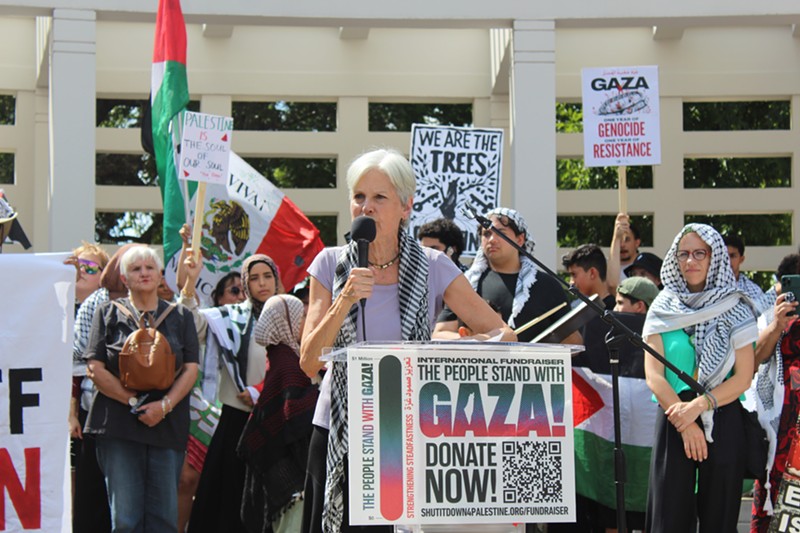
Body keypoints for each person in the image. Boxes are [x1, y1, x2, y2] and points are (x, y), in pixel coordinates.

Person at [298, 148, 515, 533]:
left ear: (405, 206)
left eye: (379, 197)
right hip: (340, 429)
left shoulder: (434, 266)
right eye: (359, 196)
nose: (367, 207)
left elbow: (502, 334)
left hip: (406, 431)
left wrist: (446, 352)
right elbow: (310, 360)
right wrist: (344, 299)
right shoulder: (329, 264)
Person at [642, 223, 758, 533]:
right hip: (673, 416)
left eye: (699, 253)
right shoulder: (662, 307)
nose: (690, 261)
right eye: (683, 254)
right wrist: (686, 423)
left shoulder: (736, 308)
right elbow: (654, 375)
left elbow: (744, 377)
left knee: (719, 519)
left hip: (723, 413)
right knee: (668, 520)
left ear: (714, 258)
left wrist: (699, 408)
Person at [84, 246, 200, 533]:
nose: (144, 273)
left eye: (150, 267)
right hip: (118, 425)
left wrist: (164, 406)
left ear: (161, 275)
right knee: (125, 519)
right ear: (124, 278)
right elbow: (94, 368)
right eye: (136, 269)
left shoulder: (181, 317)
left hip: (167, 424)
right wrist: (132, 401)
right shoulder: (107, 313)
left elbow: (191, 369)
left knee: (164, 518)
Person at [187, 254, 284, 533]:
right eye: (253, 278)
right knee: (228, 499)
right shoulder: (230, 317)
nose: (262, 283)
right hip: (237, 421)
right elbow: (192, 326)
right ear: (245, 284)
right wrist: (189, 284)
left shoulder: (291, 313)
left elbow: (302, 362)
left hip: (277, 419)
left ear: (276, 279)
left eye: (267, 276)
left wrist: (260, 391)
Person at [434, 207, 577, 344]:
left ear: (520, 240)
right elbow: (439, 334)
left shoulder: (547, 285)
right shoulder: (467, 282)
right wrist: (484, 340)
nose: (492, 240)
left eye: (500, 232)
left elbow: (573, 340)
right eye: (486, 234)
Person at [239, 294, 318, 533]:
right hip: (289, 475)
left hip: (283, 471)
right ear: (286, 322)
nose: (307, 321)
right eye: (302, 316)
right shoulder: (287, 363)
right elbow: (293, 414)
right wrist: (322, 392)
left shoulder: (281, 355)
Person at [177, 271, 245, 533]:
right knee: (187, 480)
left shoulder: (257, 321)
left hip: (237, 415)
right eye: (233, 290)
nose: (240, 295)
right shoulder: (212, 320)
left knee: (226, 486)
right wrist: (190, 280)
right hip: (202, 410)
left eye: (243, 290)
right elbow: (189, 318)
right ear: (217, 298)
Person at [750, 274, 800, 530]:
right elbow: (753, 361)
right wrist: (776, 326)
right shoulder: (778, 313)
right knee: (779, 519)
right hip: (785, 433)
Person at [724, 234, 772, 316]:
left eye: (732, 256)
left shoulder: (754, 291)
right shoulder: (708, 286)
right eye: (725, 256)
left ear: (741, 259)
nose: (728, 261)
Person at [562, 243, 615, 309]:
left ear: (592, 273)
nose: (571, 282)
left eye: (574, 275)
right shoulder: (585, 309)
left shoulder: (615, 310)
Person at [606, 213, 641, 292]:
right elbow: (612, 285)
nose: (622, 245)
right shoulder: (607, 268)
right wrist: (616, 236)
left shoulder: (645, 267)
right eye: (619, 240)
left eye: (627, 240)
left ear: (637, 243)